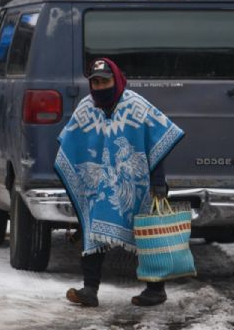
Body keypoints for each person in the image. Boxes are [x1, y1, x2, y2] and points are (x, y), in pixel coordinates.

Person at [54, 58, 184, 307]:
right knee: (92, 231)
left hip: (137, 184)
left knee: (148, 233)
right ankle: (89, 290)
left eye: (105, 81)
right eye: (96, 82)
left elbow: (157, 142)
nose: (101, 87)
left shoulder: (136, 105)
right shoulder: (86, 108)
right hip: (99, 186)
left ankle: (156, 290)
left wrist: (158, 183)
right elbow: (71, 144)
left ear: (117, 79)